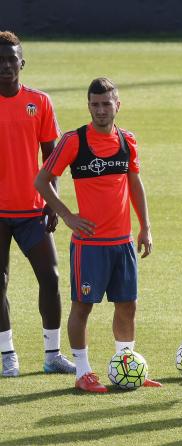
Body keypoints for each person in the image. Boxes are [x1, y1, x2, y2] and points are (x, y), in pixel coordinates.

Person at [34, 77, 161, 393]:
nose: (101, 110)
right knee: (82, 307)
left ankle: (127, 366)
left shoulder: (127, 140)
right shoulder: (73, 141)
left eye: (106, 104)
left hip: (122, 242)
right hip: (89, 246)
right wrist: (67, 215)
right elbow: (42, 181)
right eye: (95, 104)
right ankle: (83, 372)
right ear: (88, 105)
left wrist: (145, 227)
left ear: (117, 104)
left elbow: (134, 183)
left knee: (127, 305)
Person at [0, 30, 75, 377]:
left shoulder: (39, 102)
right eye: (0, 60)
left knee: (52, 276)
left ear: (22, 63)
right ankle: (7, 355)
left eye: (11, 59)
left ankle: (51, 355)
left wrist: (52, 201)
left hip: (32, 210)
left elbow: (52, 158)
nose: (5, 66)